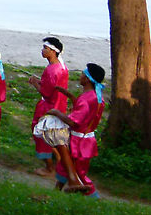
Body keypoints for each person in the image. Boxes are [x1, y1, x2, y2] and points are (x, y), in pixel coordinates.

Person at [47, 63, 106, 198]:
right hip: (87, 138)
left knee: (79, 172)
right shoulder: (96, 96)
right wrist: (68, 94)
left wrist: (56, 112)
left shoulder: (86, 99)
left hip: (79, 141)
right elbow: (85, 113)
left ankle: (94, 197)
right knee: (65, 166)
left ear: (87, 79)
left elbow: (74, 121)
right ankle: (56, 192)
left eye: (82, 75)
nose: (80, 77)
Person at [29, 36, 69, 176]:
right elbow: (52, 86)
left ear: (53, 51)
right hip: (59, 106)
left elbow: (46, 93)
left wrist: (35, 83)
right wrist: (40, 81)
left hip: (49, 107)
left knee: (41, 134)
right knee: (53, 135)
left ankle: (49, 167)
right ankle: (59, 159)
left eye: (45, 48)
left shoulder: (52, 70)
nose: (42, 50)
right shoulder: (60, 67)